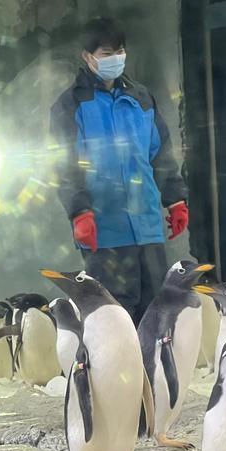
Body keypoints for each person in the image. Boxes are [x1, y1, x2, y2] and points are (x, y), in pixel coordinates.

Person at [51, 17, 189, 322]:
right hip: (105, 229)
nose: (115, 59)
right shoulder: (71, 105)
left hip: (147, 225)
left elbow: (160, 154)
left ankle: (154, 372)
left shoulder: (140, 98)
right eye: (106, 54)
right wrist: (80, 211)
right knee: (115, 317)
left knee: (156, 313)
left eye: (120, 51)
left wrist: (175, 199)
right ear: (87, 57)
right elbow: (65, 166)